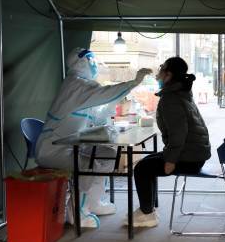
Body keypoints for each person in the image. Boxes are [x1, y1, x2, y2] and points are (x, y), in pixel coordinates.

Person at [36, 47, 152, 228]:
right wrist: (133, 83)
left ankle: (94, 202)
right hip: (52, 148)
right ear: (81, 62)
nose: (95, 65)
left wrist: (114, 102)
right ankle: (76, 212)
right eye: (92, 61)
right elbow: (104, 93)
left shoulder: (83, 88)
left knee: (107, 153)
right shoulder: (75, 85)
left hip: (72, 145)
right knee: (88, 164)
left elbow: (97, 115)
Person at [131, 57, 211, 227]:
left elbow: (178, 133)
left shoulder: (171, 99)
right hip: (195, 153)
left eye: (161, 68)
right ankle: (148, 210)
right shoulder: (180, 93)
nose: (158, 73)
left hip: (190, 157)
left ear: (168, 75)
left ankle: (147, 215)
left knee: (141, 168)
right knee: (146, 162)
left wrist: (171, 160)